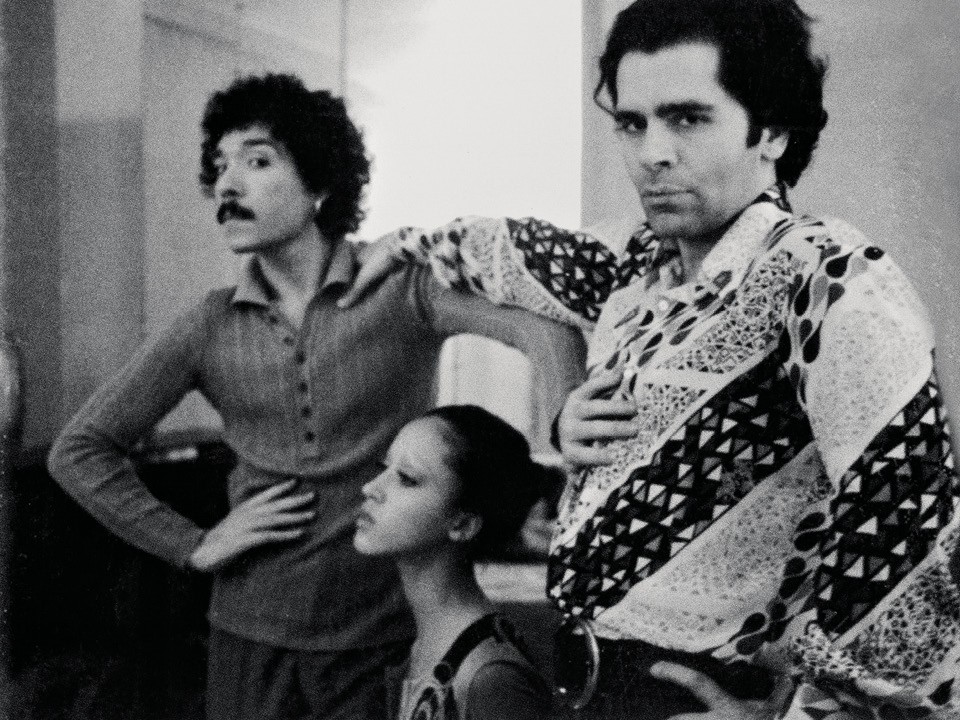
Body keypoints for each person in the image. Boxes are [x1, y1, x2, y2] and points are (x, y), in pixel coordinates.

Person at [339, 0, 960, 717]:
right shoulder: (635, 268)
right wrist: (408, 242)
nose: (651, 153)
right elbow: (515, 251)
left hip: (705, 691)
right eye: (632, 123)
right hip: (591, 685)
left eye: (687, 118)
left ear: (772, 131)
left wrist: (812, 716)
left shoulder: (828, 276)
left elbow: (906, 535)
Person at [46, 73, 586, 720]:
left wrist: (571, 428)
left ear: (320, 187)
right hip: (248, 639)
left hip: (380, 637)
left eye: (257, 161)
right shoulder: (209, 324)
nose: (227, 184)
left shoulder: (399, 288)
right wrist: (193, 545)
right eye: (220, 165)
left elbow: (542, 326)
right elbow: (79, 450)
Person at [354, 404, 551, 720]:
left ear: (462, 524)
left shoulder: (490, 677)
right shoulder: (421, 643)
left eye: (406, 478)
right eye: (384, 467)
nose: (371, 488)